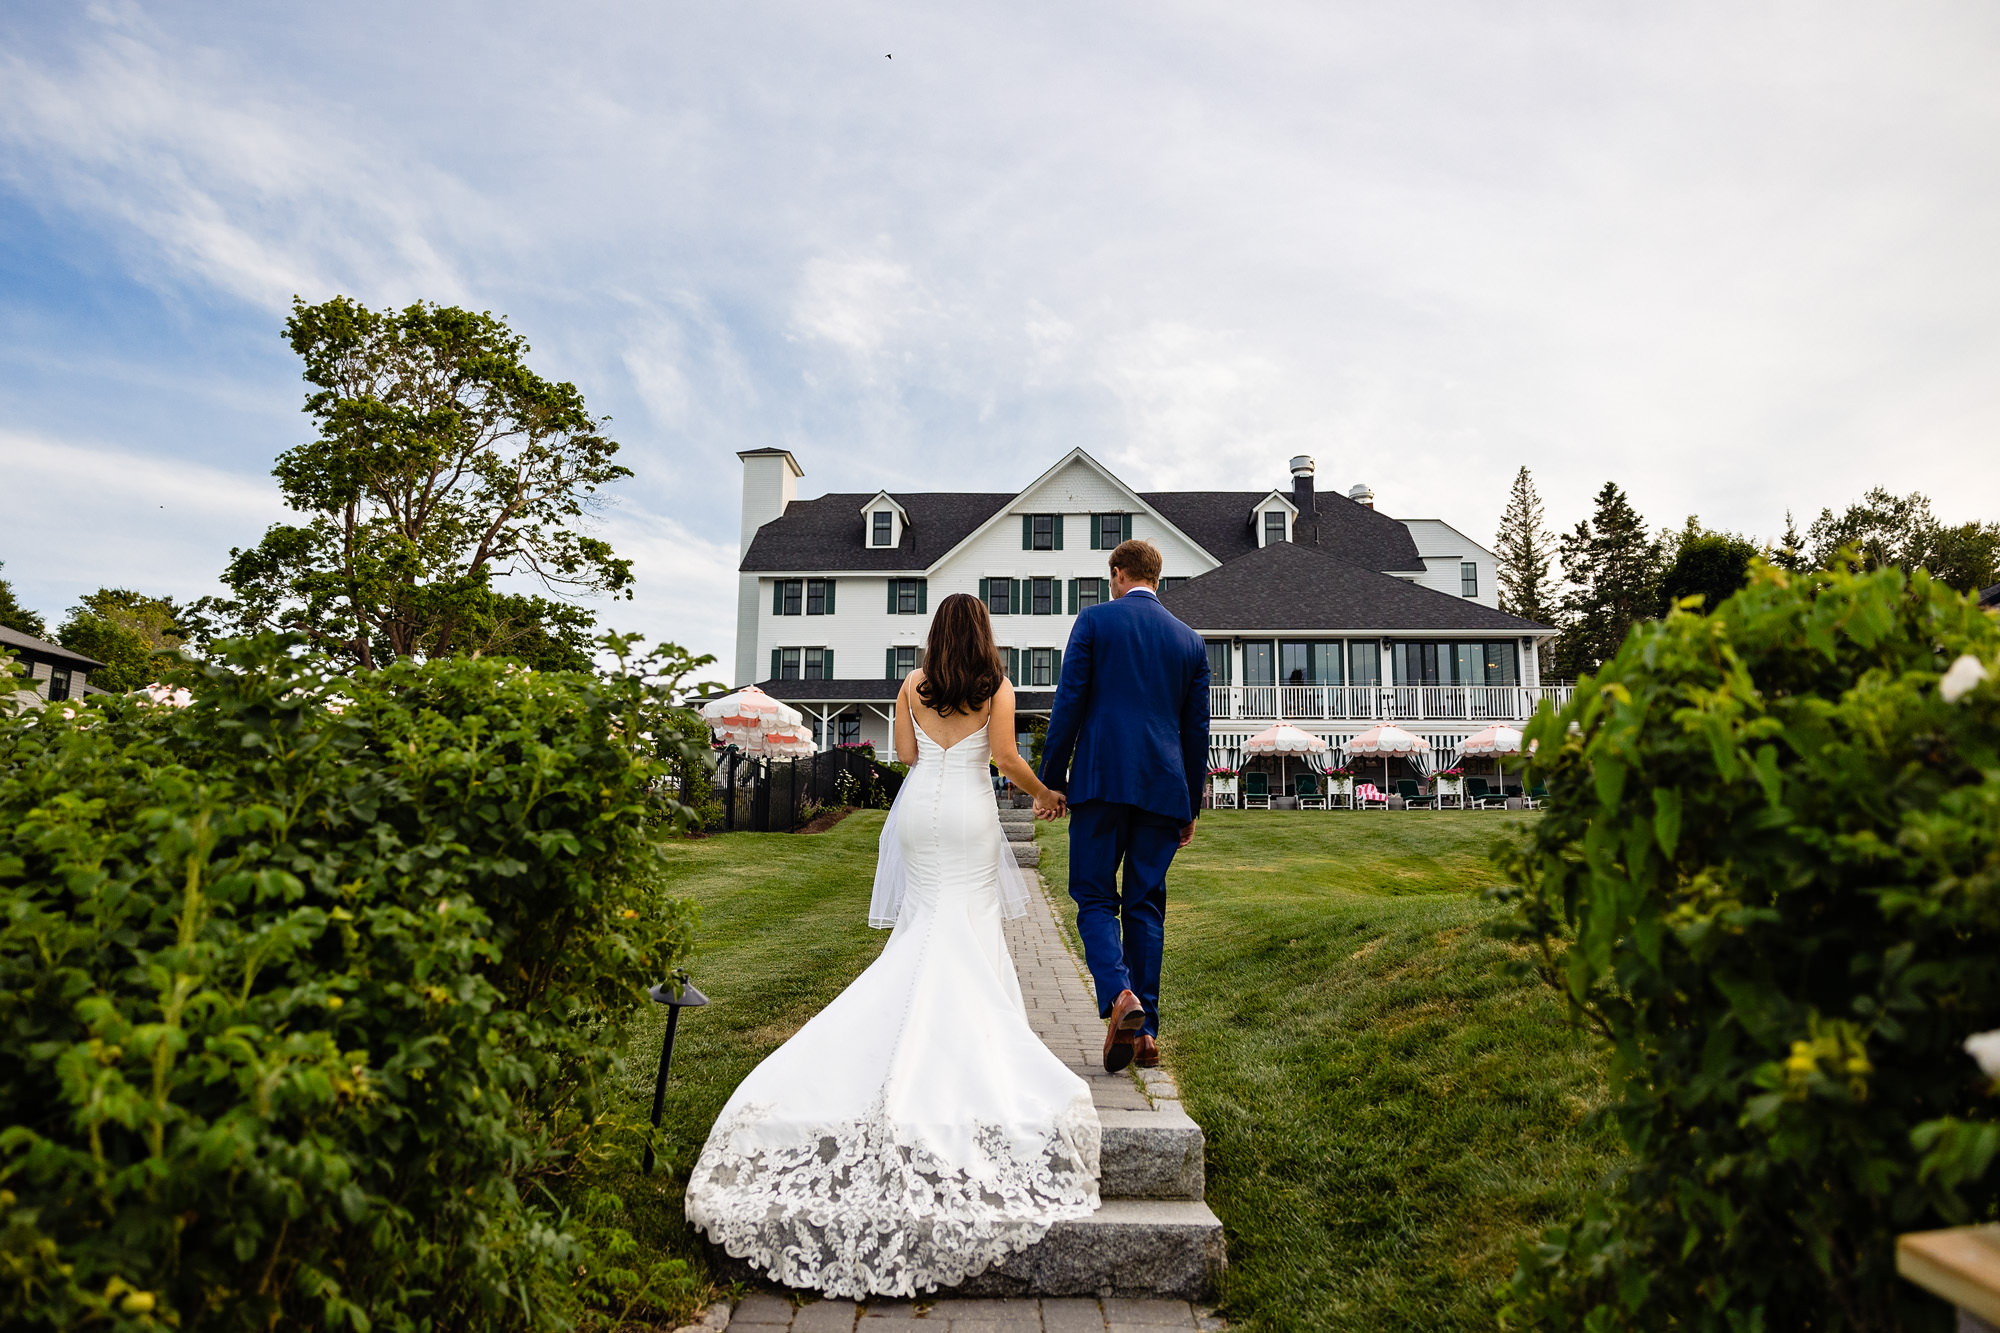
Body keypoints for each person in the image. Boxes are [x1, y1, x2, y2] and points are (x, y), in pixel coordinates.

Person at [685, 593, 1100, 1300]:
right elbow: (1002, 756)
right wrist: (1047, 791)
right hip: (969, 814)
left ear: (936, 636)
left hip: (919, 815)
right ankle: (966, 1043)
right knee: (965, 928)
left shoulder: (911, 684)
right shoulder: (995, 685)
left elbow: (904, 755)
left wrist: (926, 731)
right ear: (984, 635)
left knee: (924, 929)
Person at [1038, 538, 1211, 1074]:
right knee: (1144, 905)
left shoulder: (1094, 622)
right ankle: (1147, 1034)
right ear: (1156, 578)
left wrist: (1050, 778)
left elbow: (1069, 701)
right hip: (1163, 789)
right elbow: (1195, 731)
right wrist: (1190, 806)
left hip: (1100, 779)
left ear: (1118, 574)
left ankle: (1119, 998)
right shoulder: (1190, 641)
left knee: (1093, 896)